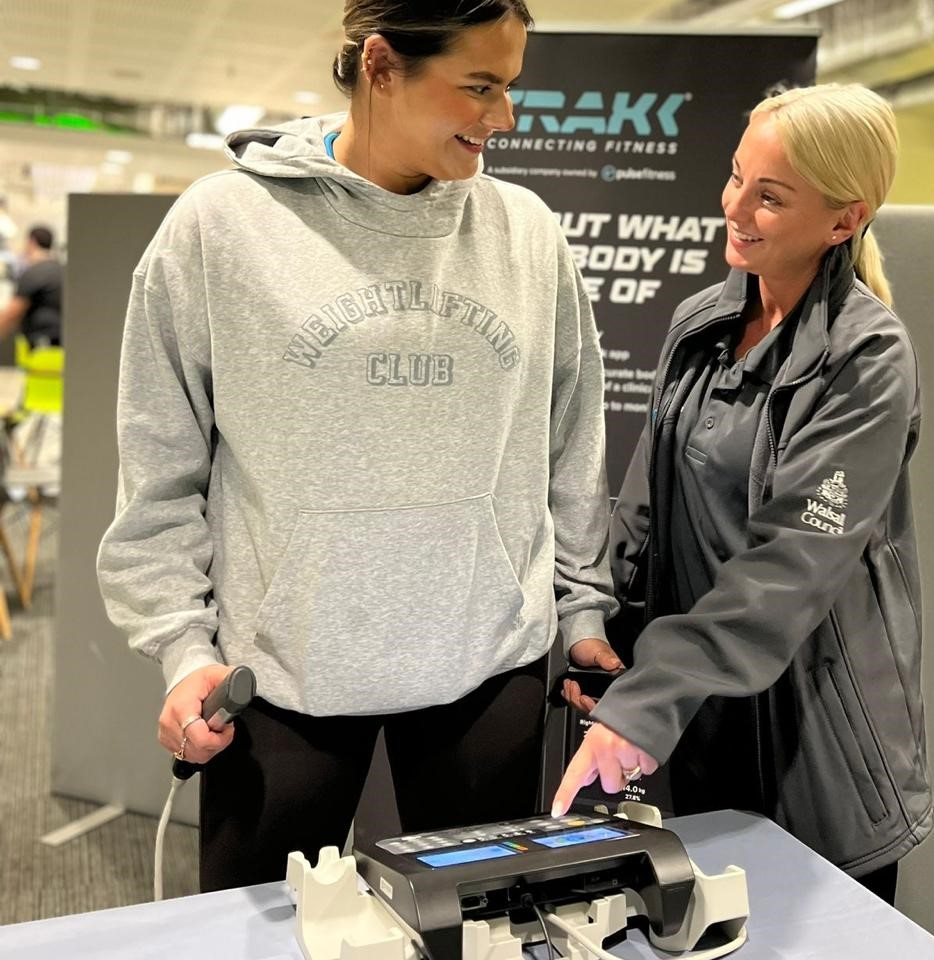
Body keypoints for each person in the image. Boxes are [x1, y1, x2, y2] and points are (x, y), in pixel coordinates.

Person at [97, 0, 616, 892]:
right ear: (381, 65)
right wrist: (184, 649)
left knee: (481, 938)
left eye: (510, 87)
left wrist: (582, 612)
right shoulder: (220, 227)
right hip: (283, 675)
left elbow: (570, 443)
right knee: (256, 941)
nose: (505, 118)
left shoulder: (528, 231)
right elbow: (161, 468)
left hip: (489, 667)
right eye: (479, 86)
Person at [554, 83, 930, 906]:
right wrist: (608, 634)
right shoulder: (700, 325)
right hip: (699, 723)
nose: (736, 207)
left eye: (770, 196)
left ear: (843, 219)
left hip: (814, 744)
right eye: (735, 179)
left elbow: (791, 563)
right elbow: (644, 508)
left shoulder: (868, 358)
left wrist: (649, 700)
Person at [0, 225, 63, 347]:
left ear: (32, 242)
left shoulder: (34, 273)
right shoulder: (60, 269)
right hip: (60, 345)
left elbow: (12, 314)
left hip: (41, 347)